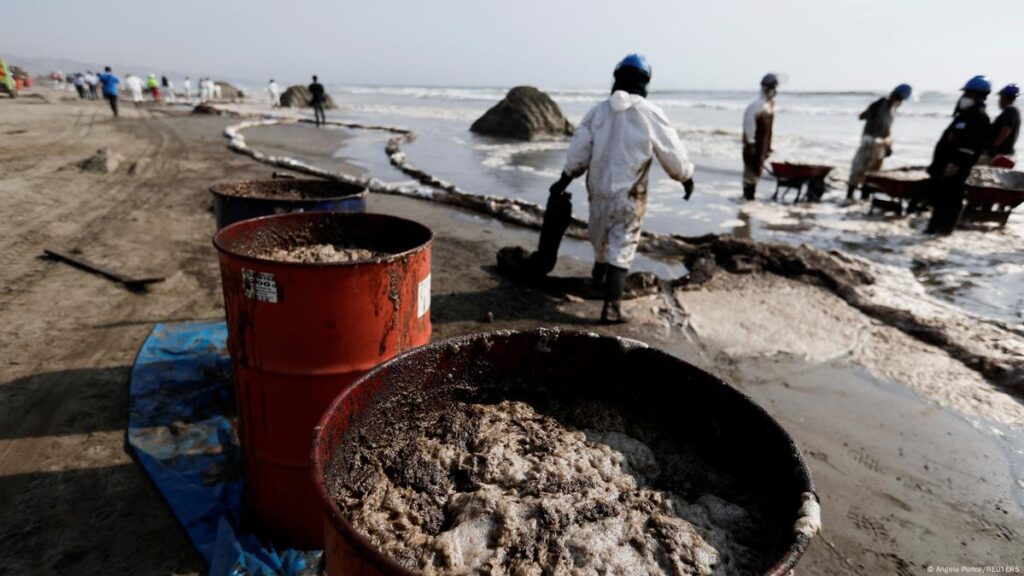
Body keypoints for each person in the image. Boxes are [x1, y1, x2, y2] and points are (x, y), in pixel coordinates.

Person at [548, 54, 695, 323]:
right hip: (630, 196)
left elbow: (579, 151)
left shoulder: (598, 111)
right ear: (645, 82)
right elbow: (671, 151)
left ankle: (597, 282)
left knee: (600, 240)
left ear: (617, 77)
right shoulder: (649, 112)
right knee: (622, 246)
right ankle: (612, 307)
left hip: (598, 193)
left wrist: (564, 180)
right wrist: (685, 177)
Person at [924, 75, 992, 235]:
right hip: (945, 165)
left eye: (968, 93)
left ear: (979, 95)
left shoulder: (980, 118)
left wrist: (955, 163)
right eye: (965, 93)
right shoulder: (963, 115)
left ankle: (944, 231)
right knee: (940, 197)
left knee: (952, 198)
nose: (964, 97)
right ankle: (933, 228)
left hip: (957, 167)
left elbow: (972, 145)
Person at [848, 84, 912, 199]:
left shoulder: (892, 109)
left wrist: (888, 145)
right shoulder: (880, 105)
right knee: (860, 170)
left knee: (871, 174)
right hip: (870, 140)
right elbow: (862, 116)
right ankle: (851, 197)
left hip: (881, 143)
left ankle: (862, 198)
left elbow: (887, 130)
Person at [742, 74, 778, 200]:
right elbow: (749, 127)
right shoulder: (756, 106)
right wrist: (750, 144)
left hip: (761, 147)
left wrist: (768, 147)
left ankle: (749, 198)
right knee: (751, 174)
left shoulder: (769, 107)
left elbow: (768, 131)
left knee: (756, 173)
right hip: (753, 147)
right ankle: (747, 198)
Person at [984, 84, 1019, 164]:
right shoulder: (1012, 112)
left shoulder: (1010, 111)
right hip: (1002, 153)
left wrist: (994, 146)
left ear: (1004, 97)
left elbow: (1006, 130)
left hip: (1000, 154)